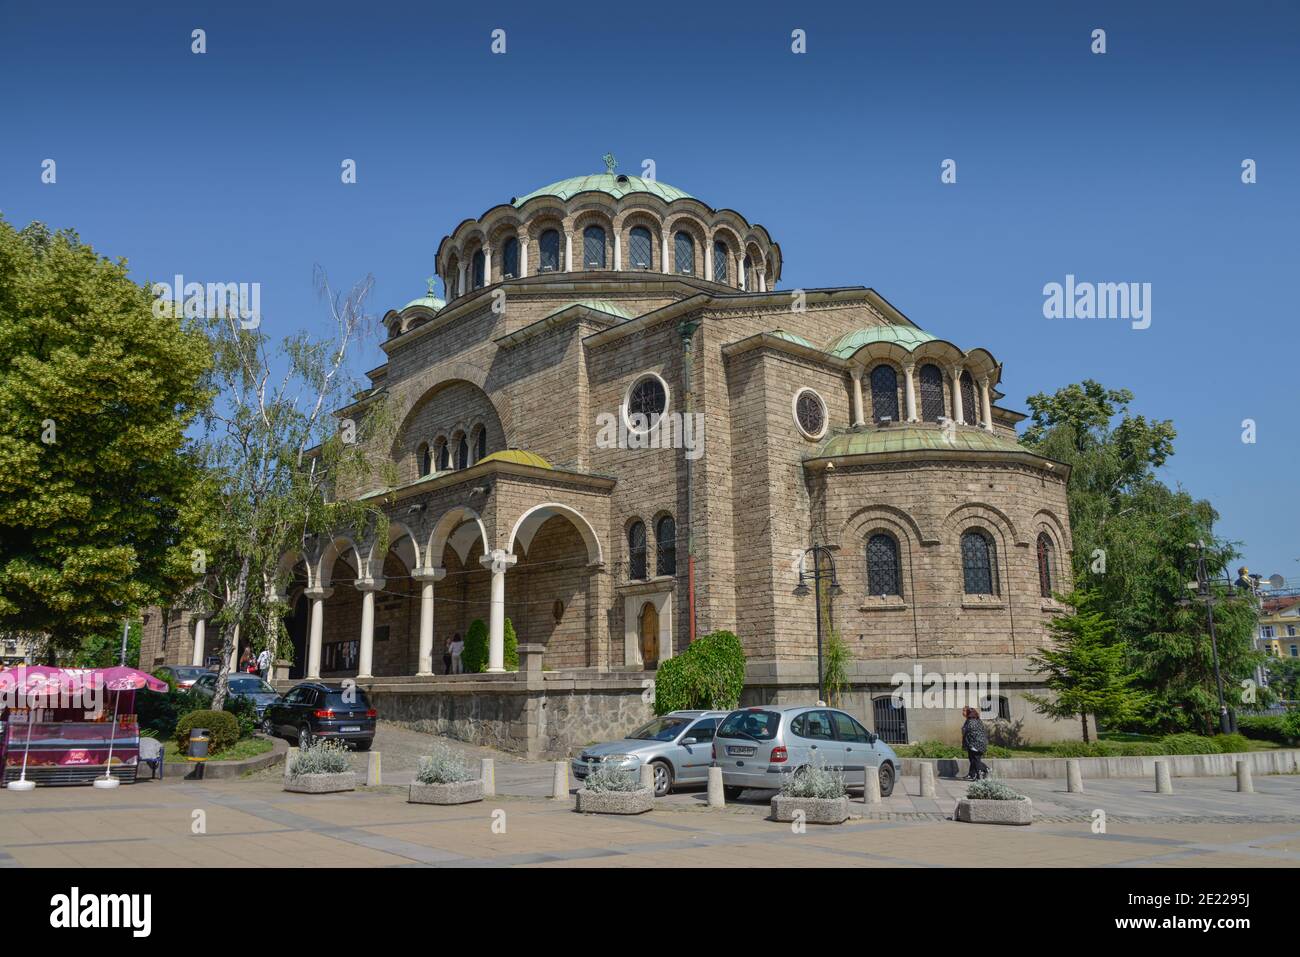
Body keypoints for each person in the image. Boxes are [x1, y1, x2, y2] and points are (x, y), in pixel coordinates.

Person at [961, 706, 989, 780]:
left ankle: (985, 770)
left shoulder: (971, 721)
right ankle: (972, 774)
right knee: (973, 759)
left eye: (964, 711)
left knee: (975, 760)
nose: (962, 712)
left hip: (976, 744)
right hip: (975, 743)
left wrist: (971, 745)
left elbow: (968, 732)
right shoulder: (973, 720)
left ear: (969, 713)